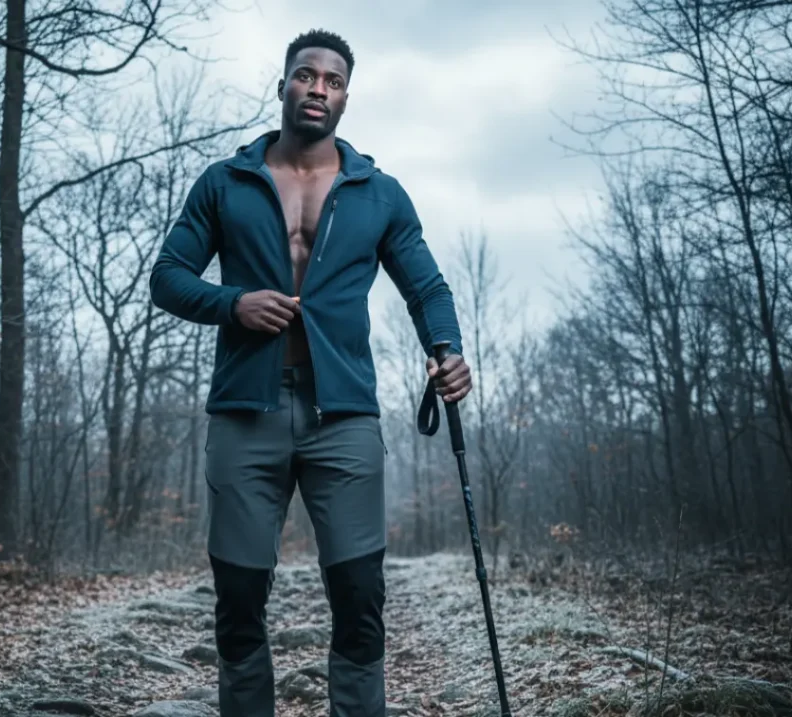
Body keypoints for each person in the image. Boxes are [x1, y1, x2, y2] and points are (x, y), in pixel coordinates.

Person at [148, 28, 472, 717]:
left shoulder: (377, 193)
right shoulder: (225, 182)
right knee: (238, 598)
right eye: (306, 75)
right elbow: (168, 278)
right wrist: (232, 303)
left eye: (332, 80)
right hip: (245, 412)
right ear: (284, 85)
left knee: (360, 596)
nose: (317, 87)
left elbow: (427, 288)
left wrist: (445, 348)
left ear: (347, 96)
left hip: (344, 418)